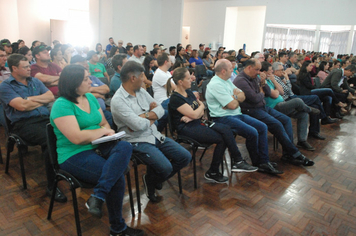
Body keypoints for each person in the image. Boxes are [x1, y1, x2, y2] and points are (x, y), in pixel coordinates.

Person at [50, 64, 143, 236]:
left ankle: (98, 196)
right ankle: (117, 228)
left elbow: (104, 123)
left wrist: (106, 132)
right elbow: (76, 137)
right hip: (74, 153)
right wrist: (101, 132)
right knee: (116, 176)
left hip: (99, 144)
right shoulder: (61, 105)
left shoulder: (90, 98)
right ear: (73, 83)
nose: (91, 81)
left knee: (124, 145)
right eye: (85, 79)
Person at [111, 61, 191, 202]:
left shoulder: (141, 91)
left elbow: (161, 110)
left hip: (154, 134)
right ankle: (153, 178)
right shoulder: (118, 100)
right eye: (142, 76)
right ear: (133, 78)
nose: (145, 80)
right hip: (136, 141)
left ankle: (152, 179)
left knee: (185, 156)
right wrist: (150, 115)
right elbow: (138, 126)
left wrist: (145, 116)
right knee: (165, 167)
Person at [169, 67, 258, 182]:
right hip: (185, 128)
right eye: (188, 78)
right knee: (223, 138)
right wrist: (198, 110)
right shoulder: (176, 98)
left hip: (196, 123)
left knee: (227, 130)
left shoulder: (188, 92)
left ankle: (236, 161)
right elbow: (199, 109)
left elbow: (199, 113)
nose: (192, 79)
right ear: (180, 82)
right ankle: (219, 169)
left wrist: (194, 114)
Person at [0, 54, 67, 202]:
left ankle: (64, 170)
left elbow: (50, 96)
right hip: (23, 125)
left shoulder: (35, 81)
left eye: (29, 65)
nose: (30, 68)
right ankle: (52, 186)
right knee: (51, 139)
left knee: (65, 132)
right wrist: (33, 102)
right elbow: (21, 107)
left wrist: (28, 100)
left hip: (44, 118)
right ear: (14, 68)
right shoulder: (6, 86)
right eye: (25, 67)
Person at [206, 59, 283, 174]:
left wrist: (234, 98)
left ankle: (264, 161)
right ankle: (257, 162)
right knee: (252, 132)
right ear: (223, 71)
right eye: (231, 69)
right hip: (223, 118)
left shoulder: (226, 81)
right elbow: (233, 104)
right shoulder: (215, 84)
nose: (233, 70)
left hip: (236, 114)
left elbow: (242, 96)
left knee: (262, 127)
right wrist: (235, 98)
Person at [234, 59, 314, 167]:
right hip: (251, 110)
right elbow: (255, 99)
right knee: (276, 124)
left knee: (285, 120)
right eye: (257, 69)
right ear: (249, 68)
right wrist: (261, 92)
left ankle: (288, 154)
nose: (259, 72)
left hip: (262, 107)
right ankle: (294, 153)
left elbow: (266, 92)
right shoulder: (241, 81)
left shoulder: (254, 77)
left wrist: (263, 83)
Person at [261, 62, 318, 151]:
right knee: (298, 101)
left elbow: (282, 92)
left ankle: (302, 141)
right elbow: (276, 94)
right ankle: (309, 109)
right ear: (264, 72)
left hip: (282, 104)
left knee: (304, 114)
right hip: (274, 107)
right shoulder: (262, 81)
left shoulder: (270, 79)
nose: (271, 73)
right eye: (270, 71)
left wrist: (274, 82)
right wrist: (277, 89)